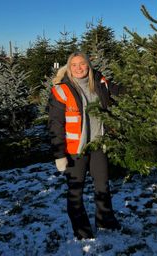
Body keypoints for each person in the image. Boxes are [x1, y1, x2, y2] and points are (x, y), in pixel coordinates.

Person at [48, 51, 121, 239]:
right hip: (74, 151)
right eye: (74, 65)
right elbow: (55, 124)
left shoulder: (99, 82)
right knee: (76, 191)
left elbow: (120, 91)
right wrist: (59, 154)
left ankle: (106, 222)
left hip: (98, 145)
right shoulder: (61, 90)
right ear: (69, 67)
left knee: (102, 186)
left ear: (88, 65)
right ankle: (82, 231)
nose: (79, 68)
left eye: (82, 64)